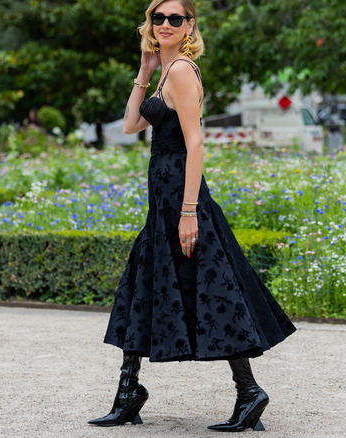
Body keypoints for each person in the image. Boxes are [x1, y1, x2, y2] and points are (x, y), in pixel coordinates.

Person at [88, 0, 296, 432]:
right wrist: (143, 74)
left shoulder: (182, 70)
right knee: (147, 283)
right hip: (162, 199)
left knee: (211, 286)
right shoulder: (164, 72)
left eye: (174, 18)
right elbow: (130, 126)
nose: (165, 24)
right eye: (157, 18)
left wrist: (188, 211)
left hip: (182, 198)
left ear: (189, 26)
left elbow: (196, 144)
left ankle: (248, 391)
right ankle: (129, 391)